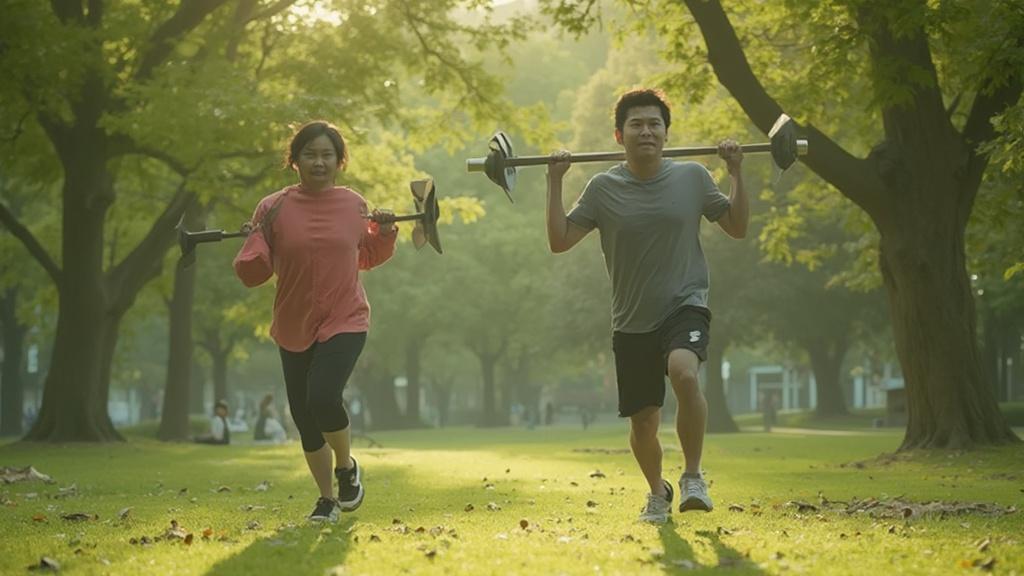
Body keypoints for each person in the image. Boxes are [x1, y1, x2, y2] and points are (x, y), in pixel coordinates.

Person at [545, 88, 747, 524]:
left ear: (666, 134)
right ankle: (658, 492)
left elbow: (736, 225)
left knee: (684, 372)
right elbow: (560, 241)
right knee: (642, 424)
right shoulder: (601, 188)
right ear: (620, 134)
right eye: (636, 124)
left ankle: (693, 476)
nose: (646, 131)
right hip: (631, 319)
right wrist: (555, 181)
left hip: (685, 303)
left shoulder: (694, 177)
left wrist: (735, 172)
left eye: (654, 123)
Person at [233, 121, 398, 523]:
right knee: (305, 418)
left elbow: (366, 255)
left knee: (323, 397)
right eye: (310, 154)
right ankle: (326, 499)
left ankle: (346, 467)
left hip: (346, 316)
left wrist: (387, 230)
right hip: (293, 322)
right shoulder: (272, 207)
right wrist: (254, 239)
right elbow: (256, 269)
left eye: (327, 155)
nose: (319, 162)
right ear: (295, 161)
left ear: (339, 161)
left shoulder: (354, 204)